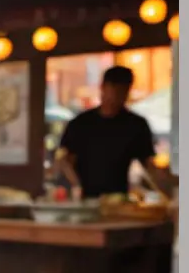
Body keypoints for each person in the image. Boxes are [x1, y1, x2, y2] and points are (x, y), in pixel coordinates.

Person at [55, 66, 157, 199]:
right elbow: (65, 161)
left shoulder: (136, 125)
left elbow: (149, 166)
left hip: (118, 200)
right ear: (102, 88)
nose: (117, 97)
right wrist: (77, 185)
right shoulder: (80, 124)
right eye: (114, 90)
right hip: (84, 199)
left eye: (123, 92)